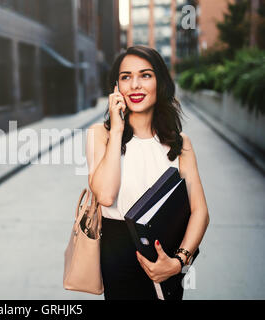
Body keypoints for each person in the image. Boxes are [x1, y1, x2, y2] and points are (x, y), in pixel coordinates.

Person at [85, 46, 210, 300]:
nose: (135, 85)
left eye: (145, 75)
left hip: (167, 256)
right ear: (116, 87)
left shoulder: (180, 143)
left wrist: (178, 262)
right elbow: (106, 196)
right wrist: (117, 129)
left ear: (160, 82)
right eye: (126, 77)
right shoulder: (100, 135)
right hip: (118, 256)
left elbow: (200, 212)